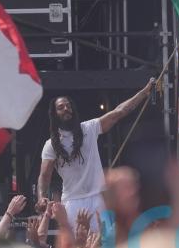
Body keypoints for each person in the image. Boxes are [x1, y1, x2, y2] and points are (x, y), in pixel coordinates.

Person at [36, 77, 155, 231]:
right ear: (54, 114)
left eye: (68, 106)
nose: (66, 109)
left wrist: (144, 92)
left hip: (98, 198)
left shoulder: (89, 128)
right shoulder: (51, 145)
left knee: (105, 242)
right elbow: (44, 176)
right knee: (76, 244)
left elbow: (119, 112)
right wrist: (41, 197)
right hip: (72, 201)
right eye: (61, 107)